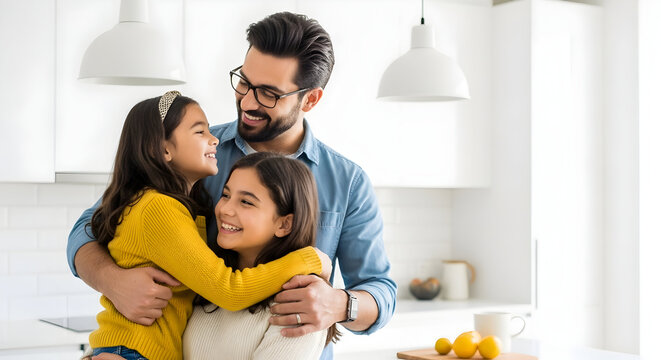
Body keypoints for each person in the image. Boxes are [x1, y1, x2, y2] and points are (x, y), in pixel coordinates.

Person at [67, 12, 397, 359]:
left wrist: (340, 304)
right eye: (244, 82)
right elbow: (88, 229)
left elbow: (381, 291)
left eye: (269, 93)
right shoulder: (194, 155)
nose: (249, 102)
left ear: (310, 100)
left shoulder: (347, 181)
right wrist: (111, 281)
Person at [84, 91, 329, 360]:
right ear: (164, 148)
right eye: (200, 132)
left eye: (246, 202)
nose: (215, 139)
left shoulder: (174, 208)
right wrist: (312, 259)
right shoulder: (158, 209)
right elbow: (229, 290)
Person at [183, 152, 340, 359]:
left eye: (246, 202)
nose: (225, 210)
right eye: (226, 195)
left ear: (284, 224)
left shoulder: (299, 304)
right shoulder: (211, 280)